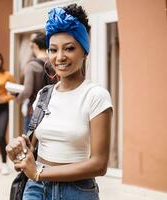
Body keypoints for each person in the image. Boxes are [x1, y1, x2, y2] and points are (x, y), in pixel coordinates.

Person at [6, 4, 113, 200]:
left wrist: (39, 173)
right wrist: (18, 151)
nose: (60, 57)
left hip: (77, 191)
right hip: (36, 189)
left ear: (84, 51)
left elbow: (100, 164)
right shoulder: (44, 95)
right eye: (53, 50)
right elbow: (31, 149)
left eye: (69, 48)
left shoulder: (96, 96)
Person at [16, 32, 48, 133]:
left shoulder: (31, 65)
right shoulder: (53, 63)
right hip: (50, 109)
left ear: (34, 46)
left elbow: (27, 92)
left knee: (31, 144)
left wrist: (18, 98)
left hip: (34, 111)